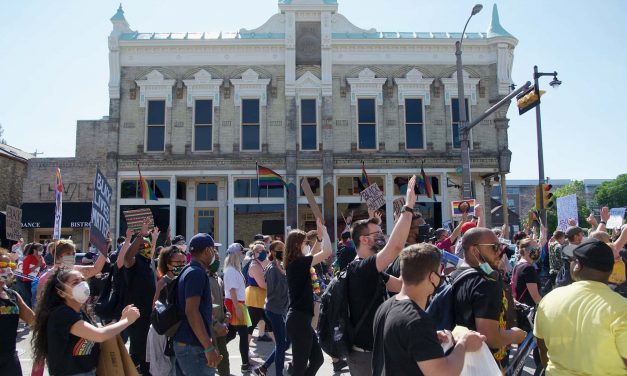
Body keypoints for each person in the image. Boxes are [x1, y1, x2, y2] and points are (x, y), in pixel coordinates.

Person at [372, 243, 487, 376]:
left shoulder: (385, 307)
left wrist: (430, 338)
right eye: (439, 273)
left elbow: (399, 345)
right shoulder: (417, 321)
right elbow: (444, 373)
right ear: (432, 277)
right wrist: (464, 344)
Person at [345, 176, 417, 376]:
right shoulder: (359, 269)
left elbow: (402, 286)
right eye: (378, 233)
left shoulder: (372, 270)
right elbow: (394, 246)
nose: (382, 236)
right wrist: (408, 207)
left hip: (379, 351)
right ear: (364, 240)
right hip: (365, 356)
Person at [535, 239, 627, 375]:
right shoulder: (621, 308)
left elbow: (542, 349)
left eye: (572, 260)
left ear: (578, 266)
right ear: (611, 269)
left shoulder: (549, 299)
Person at [31, 267, 140, 376]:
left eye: (83, 280)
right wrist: (126, 320)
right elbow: (99, 335)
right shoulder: (62, 314)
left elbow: (97, 335)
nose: (82, 284)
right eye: (75, 282)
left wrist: (121, 320)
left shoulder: (79, 312)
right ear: (61, 293)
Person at [452, 227, 527, 369]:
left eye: (500, 246)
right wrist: (515, 336)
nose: (500, 251)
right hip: (484, 363)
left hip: (461, 360)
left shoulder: (456, 275)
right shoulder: (486, 283)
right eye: (494, 247)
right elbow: (490, 337)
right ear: (474, 251)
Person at [285, 218, 331, 376]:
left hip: (301, 319)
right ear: (297, 245)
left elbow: (311, 254)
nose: (308, 244)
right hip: (298, 320)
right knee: (299, 367)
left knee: (318, 359)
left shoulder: (299, 262)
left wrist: (318, 238)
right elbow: (327, 252)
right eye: (306, 242)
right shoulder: (298, 264)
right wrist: (324, 232)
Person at [172, 233, 222, 376]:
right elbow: (192, 311)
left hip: (187, 344)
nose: (215, 253)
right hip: (192, 346)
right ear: (207, 251)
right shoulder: (196, 273)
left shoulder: (188, 270)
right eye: (214, 249)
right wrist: (208, 348)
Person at [122, 222, 159, 374]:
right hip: (137, 318)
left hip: (149, 316)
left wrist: (153, 239)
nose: (147, 247)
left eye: (148, 245)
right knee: (138, 353)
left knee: (148, 354)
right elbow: (127, 256)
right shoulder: (133, 263)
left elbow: (152, 253)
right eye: (143, 245)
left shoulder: (148, 263)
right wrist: (140, 236)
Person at [146, 246, 187, 376]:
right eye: (178, 263)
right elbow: (155, 308)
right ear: (168, 264)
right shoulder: (163, 283)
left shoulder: (183, 280)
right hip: (163, 334)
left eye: (184, 262)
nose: (182, 265)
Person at [254, 240, 289, 376]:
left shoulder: (280, 266)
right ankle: (278, 373)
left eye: (283, 248)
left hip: (281, 309)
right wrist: (287, 279)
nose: (283, 251)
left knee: (286, 343)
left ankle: (264, 367)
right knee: (281, 344)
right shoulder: (272, 268)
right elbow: (273, 291)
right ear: (273, 252)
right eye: (280, 248)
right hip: (275, 310)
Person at [0, 248, 34, 376]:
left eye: (11, 265)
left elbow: (32, 319)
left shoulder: (12, 295)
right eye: (3, 265)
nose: (8, 269)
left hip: (10, 359)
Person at [223, 243, 253, 373]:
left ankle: (216, 349)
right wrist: (238, 309)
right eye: (241, 253)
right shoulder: (231, 270)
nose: (242, 255)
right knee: (242, 334)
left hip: (238, 303)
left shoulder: (234, 269)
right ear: (235, 254)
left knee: (232, 333)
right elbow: (232, 291)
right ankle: (245, 364)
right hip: (235, 303)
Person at [207, 252, 230, 376]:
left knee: (223, 359)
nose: (217, 262)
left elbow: (222, 300)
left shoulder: (218, 279)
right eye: (215, 259)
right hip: (210, 328)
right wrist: (216, 325)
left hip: (221, 327)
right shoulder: (205, 279)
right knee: (210, 362)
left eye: (218, 259)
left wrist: (226, 316)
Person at [245, 242, 272, 343]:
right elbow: (263, 284)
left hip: (261, 297)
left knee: (271, 324)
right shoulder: (255, 266)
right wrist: (276, 286)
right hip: (255, 297)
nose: (264, 252)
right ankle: (245, 350)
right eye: (261, 251)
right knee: (250, 326)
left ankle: (280, 347)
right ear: (255, 253)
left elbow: (271, 264)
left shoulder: (261, 262)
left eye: (265, 250)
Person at [17, 242, 44, 308]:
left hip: (35, 280)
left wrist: (38, 259)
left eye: (42, 249)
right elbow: (25, 272)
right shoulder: (28, 257)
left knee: (33, 298)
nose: (41, 250)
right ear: (34, 250)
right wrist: (37, 265)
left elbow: (43, 267)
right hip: (27, 281)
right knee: (28, 298)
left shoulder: (41, 257)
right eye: (39, 249)